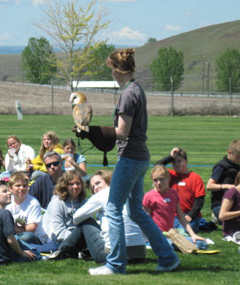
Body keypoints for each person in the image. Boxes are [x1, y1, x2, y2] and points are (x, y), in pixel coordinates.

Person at [76, 48, 179, 275]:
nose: (111, 74)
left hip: (130, 158)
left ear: (117, 69)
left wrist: (92, 131)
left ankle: (115, 265)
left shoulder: (128, 94)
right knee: (135, 212)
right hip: (140, 157)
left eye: (111, 70)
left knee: (112, 209)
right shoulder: (136, 90)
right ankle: (168, 258)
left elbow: (122, 132)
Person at [52, 170, 146, 263]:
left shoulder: (102, 194)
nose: (95, 188)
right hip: (139, 254)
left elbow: (76, 218)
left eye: (98, 183)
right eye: (93, 187)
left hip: (113, 256)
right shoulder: (128, 193)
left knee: (86, 221)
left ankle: (64, 250)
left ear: (108, 180)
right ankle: (78, 251)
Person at [143, 165, 207, 250]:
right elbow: (145, 219)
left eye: (161, 179)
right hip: (156, 235)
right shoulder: (149, 196)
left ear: (168, 179)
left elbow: (181, 216)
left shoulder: (173, 193)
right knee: (171, 246)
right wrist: (146, 237)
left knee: (202, 244)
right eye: (155, 180)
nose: (158, 183)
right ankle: (151, 244)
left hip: (171, 234)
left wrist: (193, 235)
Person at [0, 183, 41, 264]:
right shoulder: (5, 213)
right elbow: (11, 240)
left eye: (8, 191)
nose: (9, 193)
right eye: (4, 191)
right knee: (36, 254)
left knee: (24, 244)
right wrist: (22, 253)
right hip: (2, 258)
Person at [156, 147, 206, 233]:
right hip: (172, 215)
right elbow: (157, 167)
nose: (177, 164)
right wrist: (170, 157)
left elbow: (199, 200)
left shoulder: (195, 177)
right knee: (159, 231)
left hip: (189, 216)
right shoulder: (170, 175)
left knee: (181, 233)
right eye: (174, 162)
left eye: (179, 161)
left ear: (186, 161)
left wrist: (191, 216)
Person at [38, 171, 87, 247]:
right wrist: (80, 240)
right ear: (65, 186)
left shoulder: (84, 201)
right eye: (71, 184)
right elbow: (59, 232)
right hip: (55, 240)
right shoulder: (57, 202)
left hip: (77, 236)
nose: (75, 187)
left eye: (78, 183)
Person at [207, 140, 240, 223]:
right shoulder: (221, 166)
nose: (239, 160)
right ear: (230, 152)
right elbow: (209, 186)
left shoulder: (237, 167)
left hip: (233, 202)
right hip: (219, 204)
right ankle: (216, 216)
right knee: (235, 221)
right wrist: (226, 186)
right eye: (237, 157)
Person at [6, 172, 42, 244]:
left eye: (25, 186)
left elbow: (32, 227)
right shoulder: (7, 202)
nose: (21, 188)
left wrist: (14, 231)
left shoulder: (33, 203)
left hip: (27, 234)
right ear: (10, 188)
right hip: (11, 233)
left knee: (26, 237)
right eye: (18, 185)